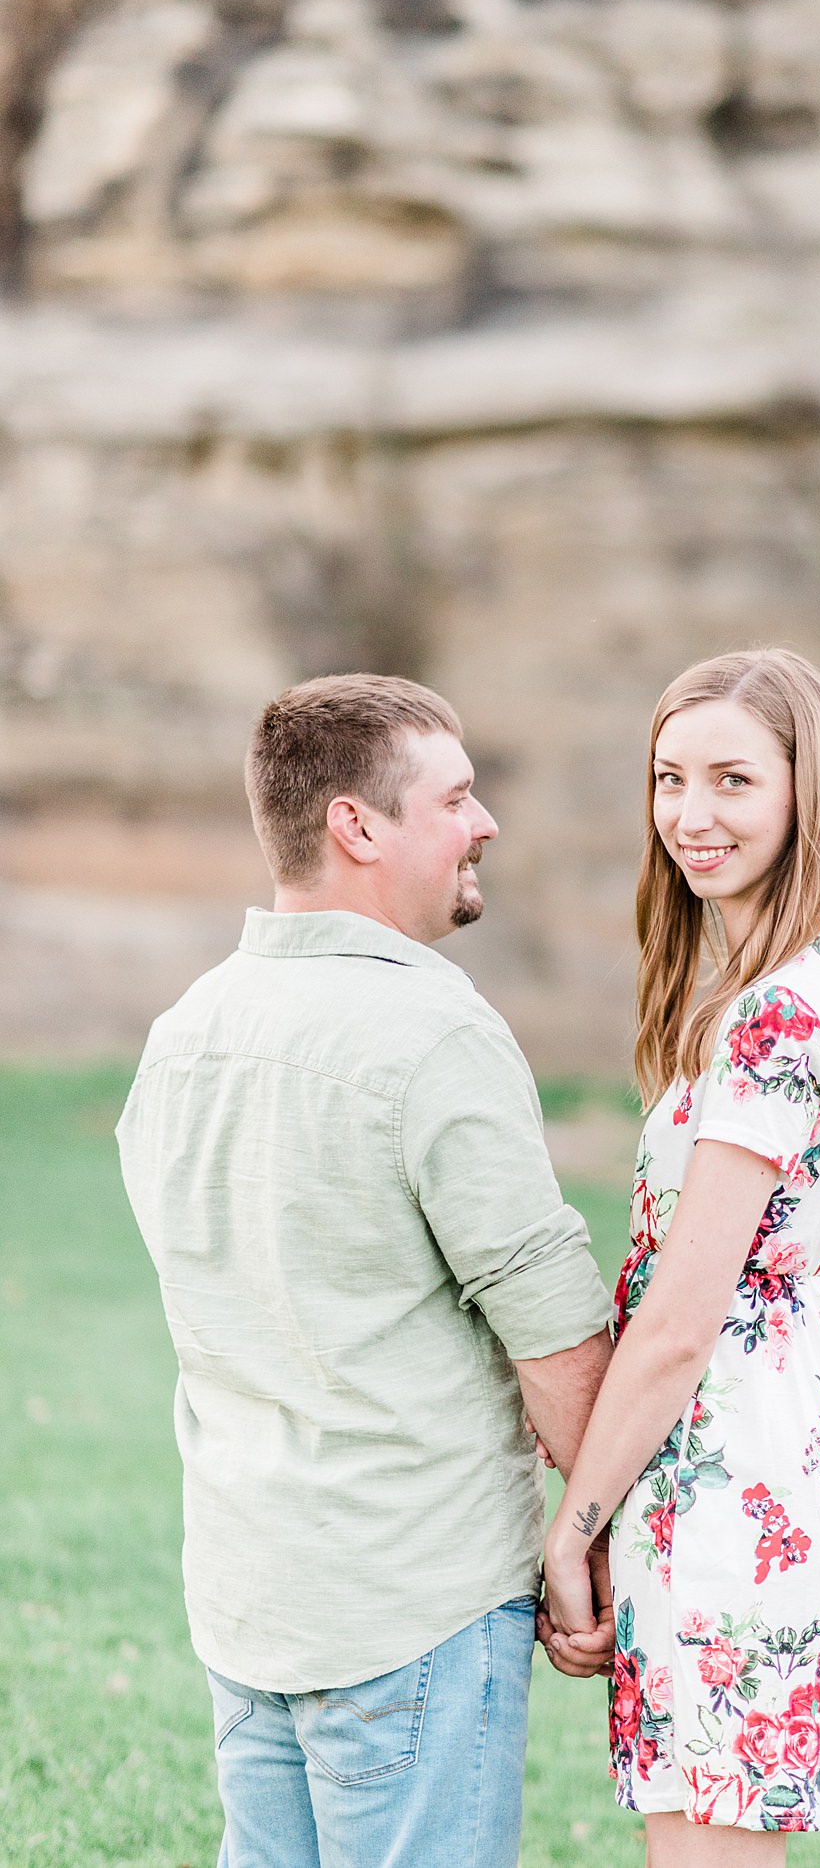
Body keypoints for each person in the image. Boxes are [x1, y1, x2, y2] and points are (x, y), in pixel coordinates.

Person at [117, 674, 615, 1868]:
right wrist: (591, 1538)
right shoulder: (432, 1033)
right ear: (357, 826)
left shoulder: (183, 1034)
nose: (484, 821)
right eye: (455, 797)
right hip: (413, 1603)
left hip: (249, 1598)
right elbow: (554, 1336)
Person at [541, 648, 820, 1856]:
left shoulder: (778, 1009)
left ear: (805, 792)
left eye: (731, 781)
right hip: (775, 1432)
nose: (691, 816)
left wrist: (574, 1525)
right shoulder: (815, 976)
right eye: (669, 779)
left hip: (740, 1461)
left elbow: (679, 1322)